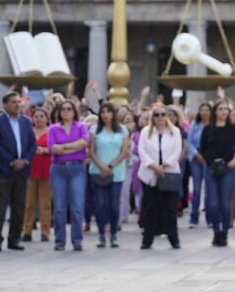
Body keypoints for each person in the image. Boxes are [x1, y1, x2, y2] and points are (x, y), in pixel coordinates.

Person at [138, 103, 182, 250]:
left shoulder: (174, 131)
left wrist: (164, 166)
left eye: (163, 114)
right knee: (150, 208)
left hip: (169, 173)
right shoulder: (146, 131)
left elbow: (177, 151)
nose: (160, 118)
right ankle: (147, 239)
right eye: (157, 115)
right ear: (153, 117)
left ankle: (173, 238)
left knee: (170, 208)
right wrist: (153, 166)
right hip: (149, 173)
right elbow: (141, 151)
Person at [197, 101, 235, 247]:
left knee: (225, 203)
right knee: (213, 203)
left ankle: (225, 232)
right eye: (220, 109)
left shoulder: (233, 128)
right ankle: (216, 232)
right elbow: (201, 150)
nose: (223, 112)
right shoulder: (208, 129)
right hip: (211, 169)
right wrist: (209, 164)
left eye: (225, 109)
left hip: (228, 168)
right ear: (215, 112)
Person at [49, 99, 90, 251]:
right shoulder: (53, 128)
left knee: (77, 206)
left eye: (69, 109)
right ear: (59, 112)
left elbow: (84, 143)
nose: (66, 111)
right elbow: (53, 149)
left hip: (77, 168)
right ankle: (60, 241)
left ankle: (77, 240)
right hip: (59, 169)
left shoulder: (81, 126)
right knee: (59, 207)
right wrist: (75, 147)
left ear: (74, 111)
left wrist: (64, 147)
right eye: (63, 109)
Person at [0, 91, 36, 251]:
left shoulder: (26, 122)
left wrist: (25, 160)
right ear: (5, 105)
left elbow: (32, 144)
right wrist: (12, 161)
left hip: (22, 171)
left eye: (18, 102)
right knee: (0, 207)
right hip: (4, 170)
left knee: (19, 206)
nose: (17, 105)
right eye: (13, 102)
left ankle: (14, 239)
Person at [88, 102, 130, 248]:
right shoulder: (95, 129)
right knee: (101, 204)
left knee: (114, 205)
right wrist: (102, 167)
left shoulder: (123, 130)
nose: (105, 115)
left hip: (116, 172)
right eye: (103, 112)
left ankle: (113, 234)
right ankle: (101, 235)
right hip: (98, 172)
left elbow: (125, 152)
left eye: (108, 112)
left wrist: (110, 166)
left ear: (113, 114)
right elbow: (91, 152)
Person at [22, 107, 51, 243]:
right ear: (32, 119)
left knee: (45, 203)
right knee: (28, 203)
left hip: (46, 169)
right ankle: (27, 230)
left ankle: (45, 231)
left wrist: (45, 150)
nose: (39, 119)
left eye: (41, 116)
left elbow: (56, 148)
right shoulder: (29, 132)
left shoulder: (52, 132)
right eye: (36, 117)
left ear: (46, 118)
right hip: (30, 170)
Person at [187, 102, 212, 228]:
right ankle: (194, 218)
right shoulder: (194, 125)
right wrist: (197, 155)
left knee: (209, 190)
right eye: (202, 110)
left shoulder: (213, 125)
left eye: (207, 110)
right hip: (196, 158)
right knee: (196, 190)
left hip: (209, 159)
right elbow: (189, 142)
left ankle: (209, 219)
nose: (204, 112)